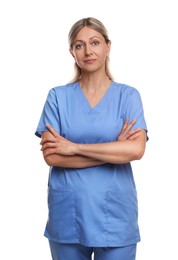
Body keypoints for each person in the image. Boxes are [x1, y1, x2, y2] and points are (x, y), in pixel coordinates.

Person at [35, 17, 148, 260]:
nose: (88, 51)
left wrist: (73, 147)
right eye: (79, 45)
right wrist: (114, 150)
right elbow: (52, 155)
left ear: (108, 46)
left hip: (116, 217)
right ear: (72, 52)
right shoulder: (57, 97)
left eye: (95, 43)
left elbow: (136, 150)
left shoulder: (128, 97)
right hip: (68, 215)